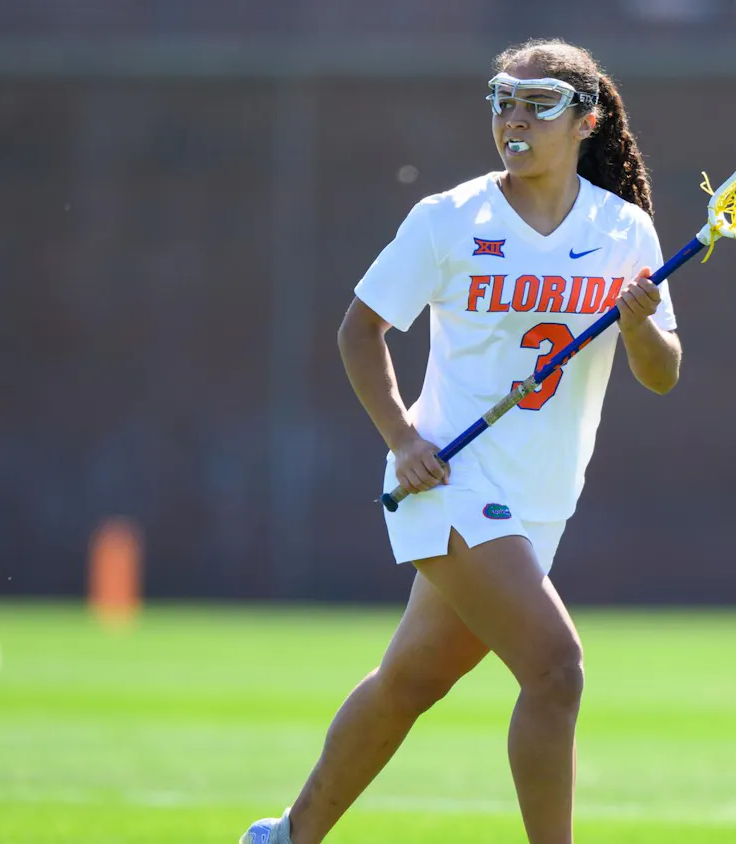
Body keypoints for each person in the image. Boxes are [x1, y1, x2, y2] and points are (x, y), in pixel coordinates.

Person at [240, 39, 681, 844]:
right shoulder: (448, 218)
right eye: (502, 101)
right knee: (556, 670)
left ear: (586, 120)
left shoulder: (625, 230)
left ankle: (286, 837)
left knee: (410, 682)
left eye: (537, 103)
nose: (514, 118)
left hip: (541, 499)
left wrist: (642, 325)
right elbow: (360, 330)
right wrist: (402, 437)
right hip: (450, 479)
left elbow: (662, 374)